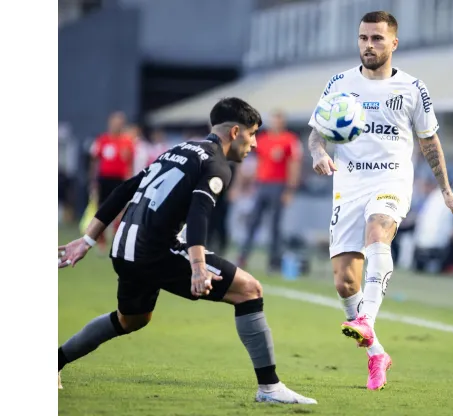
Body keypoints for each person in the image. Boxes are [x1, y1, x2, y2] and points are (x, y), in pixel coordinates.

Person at [57, 98, 316, 405]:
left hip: (124, 249)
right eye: (253, 134)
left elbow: (125, 189)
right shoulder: (217, 164)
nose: (256, 144)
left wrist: (86, 240)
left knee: (132, 320)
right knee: (249, 290)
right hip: (154, 251)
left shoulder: (177, 150)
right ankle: (270, 388)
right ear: (235, 132)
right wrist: (197, 266)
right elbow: (199, 214)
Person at [307, 11, 453, 391]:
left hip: (390, 180)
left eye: (377, 39)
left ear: (393, 43)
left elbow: (429, 141)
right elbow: (316, 134)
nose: (369, 45)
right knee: (346, 283)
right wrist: (317, 153)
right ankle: (376, 353)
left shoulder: (412, 89)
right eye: (363, 38)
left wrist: (445, 189)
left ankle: (367, 320)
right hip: (348, 185)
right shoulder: (340, 83)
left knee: (378, 230)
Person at [237, 110, 302, 272]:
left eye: (278, 120)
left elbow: (294, 165)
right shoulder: (263, 139)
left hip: (278, 185)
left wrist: (290, 190)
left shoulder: (290, 140)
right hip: (261, 185)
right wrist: (248, 184)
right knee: (253, 222)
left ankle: (273, 262)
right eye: (273, 120)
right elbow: (255, 162)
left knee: (275, 226)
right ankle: (243, 257)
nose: (276, 124)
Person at [89, 111, 135, 254]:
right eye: (115, 122)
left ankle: (116, 239)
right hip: (104, 179)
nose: (117, 125)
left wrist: (130, 181)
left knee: (120, 211)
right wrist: (93, 181)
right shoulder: (102, 140)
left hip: (119, 180)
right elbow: (95, 161)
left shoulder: (127, 142)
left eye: (120, 122)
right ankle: (100, 241)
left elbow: (130, 163)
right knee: (101, 209)